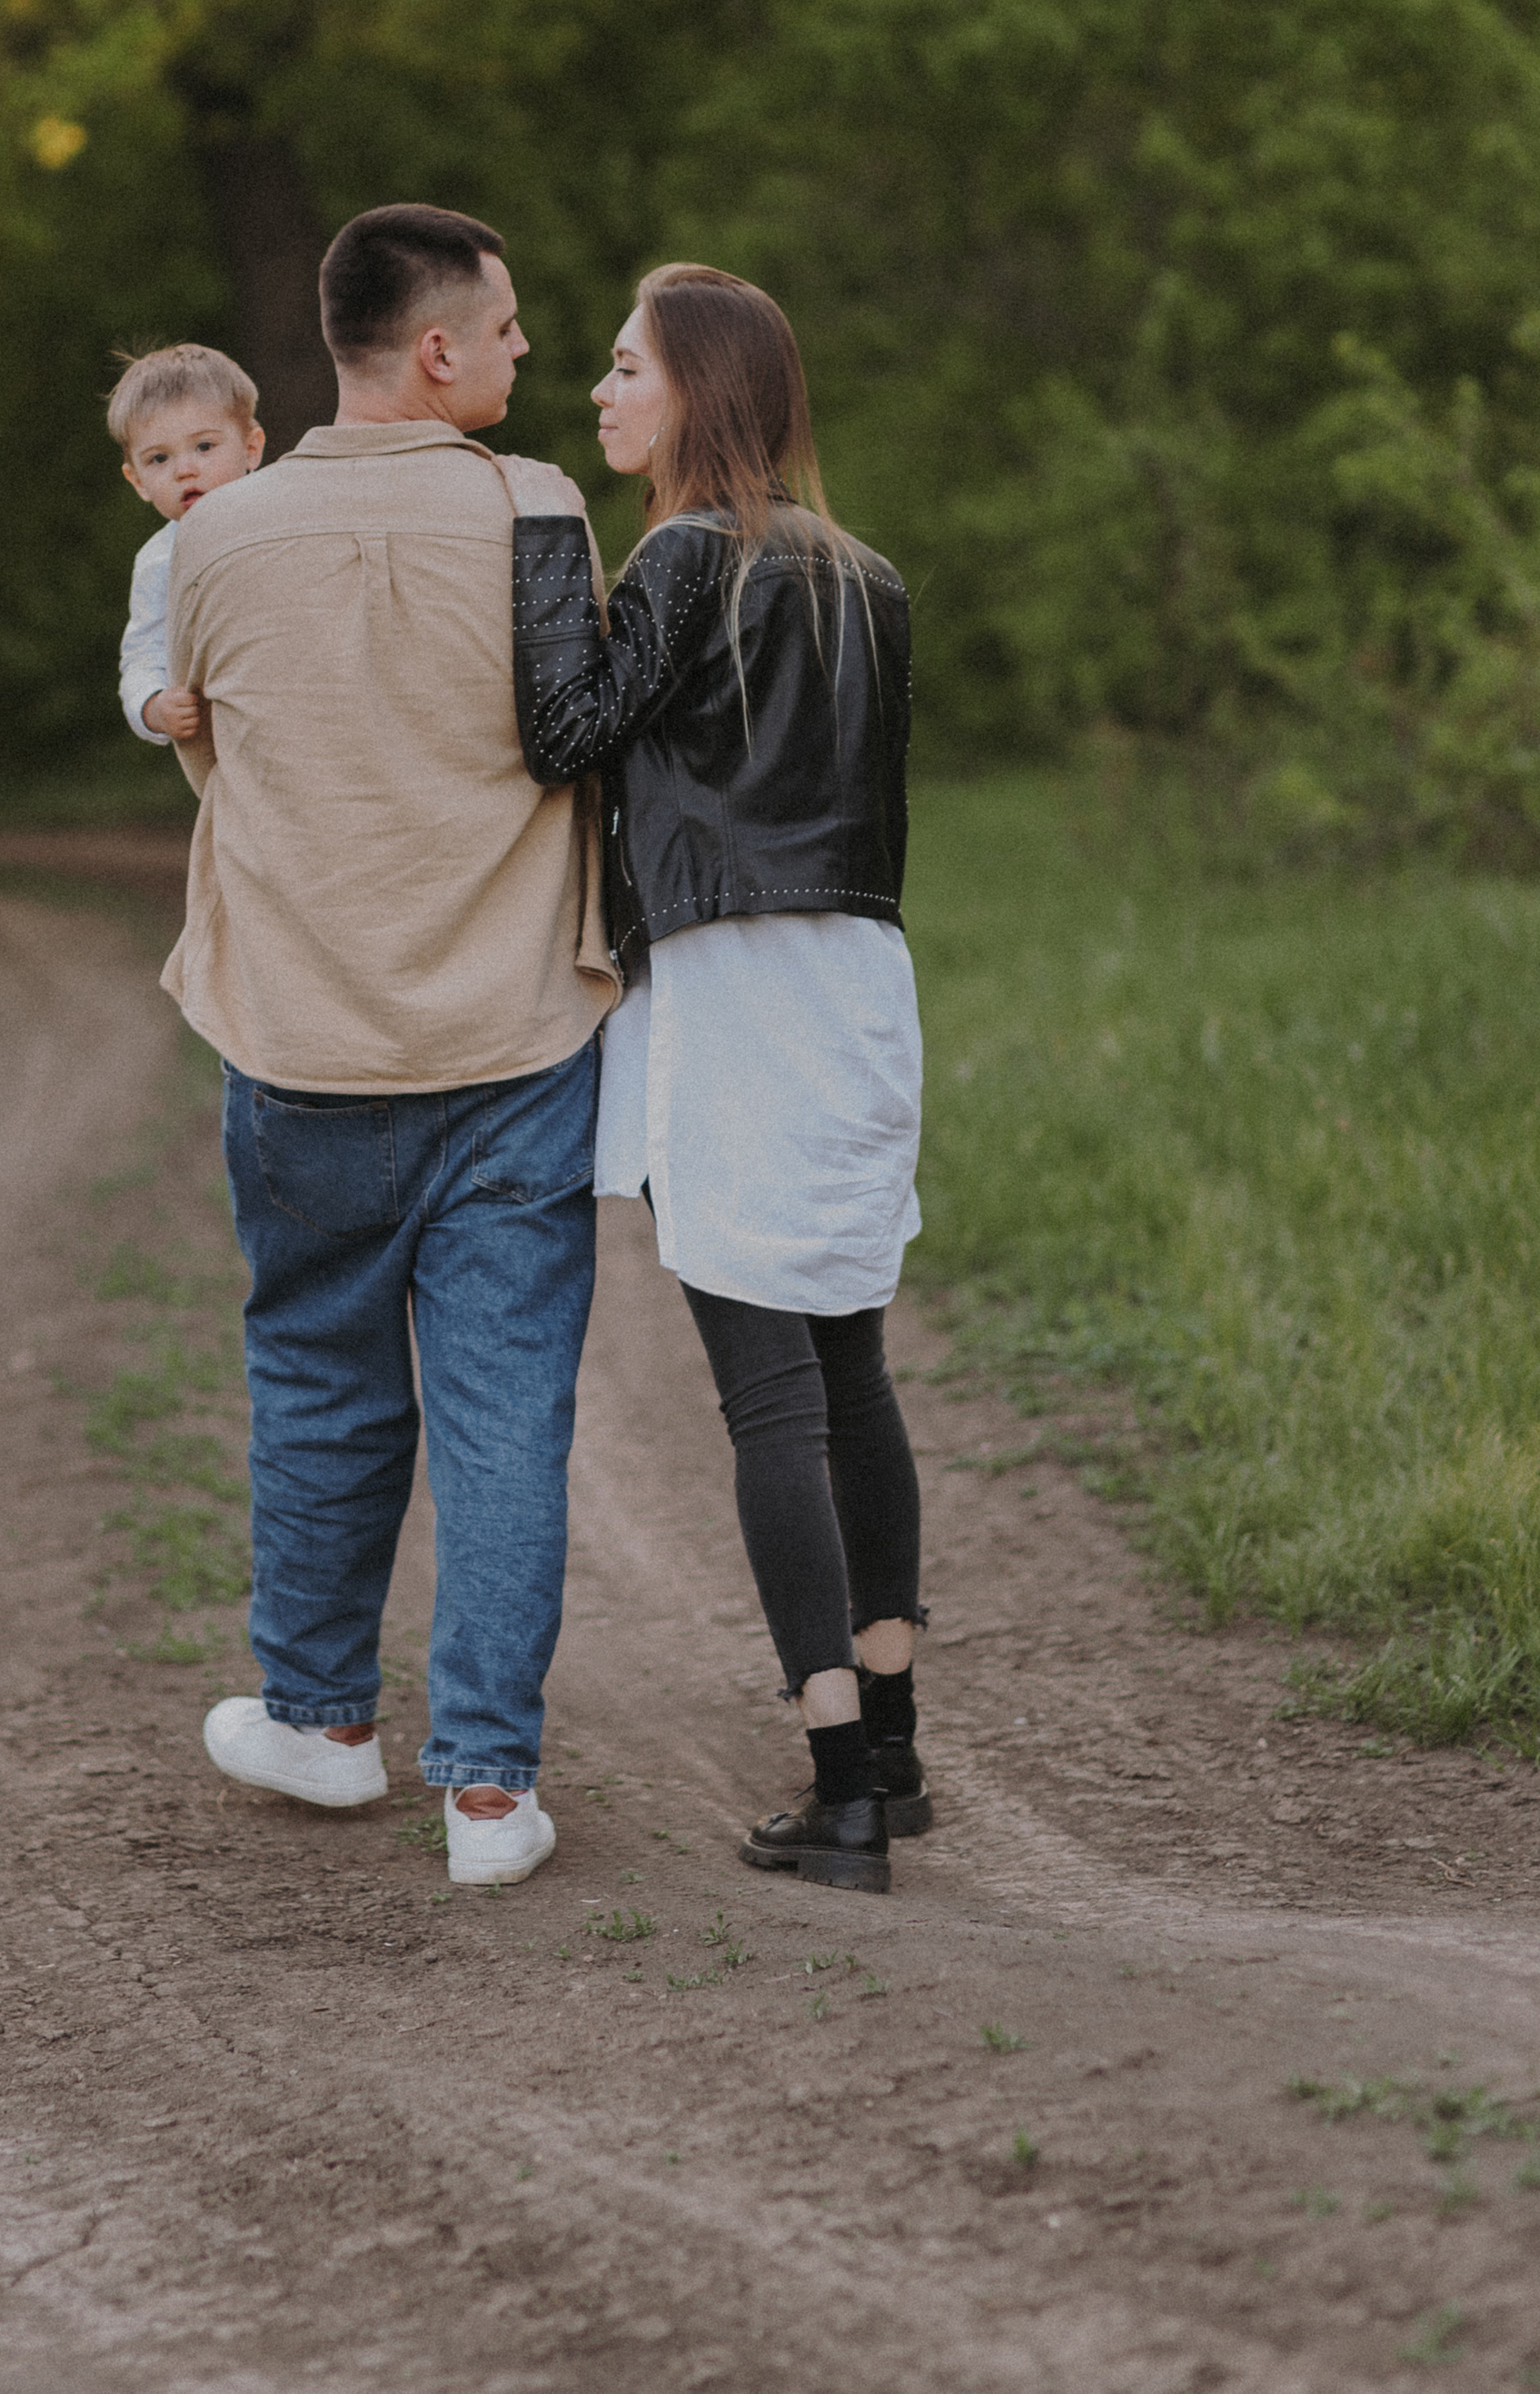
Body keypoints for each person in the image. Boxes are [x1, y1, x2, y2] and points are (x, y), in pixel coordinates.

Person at [161, 204, 613, 1890]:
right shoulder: (535, 504)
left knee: (318, 1376)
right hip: (513, 1032)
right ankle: (488, 1791)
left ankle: (324, 1722)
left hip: (301, 1038)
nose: (520, 353)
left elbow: (220, 760)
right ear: (435, 349)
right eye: (503, 327)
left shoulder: (216, 535)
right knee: (506, 1408)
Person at [512, 262, 928, 1892]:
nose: (603, 393)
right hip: (859, 976)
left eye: (625, 367)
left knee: (767, 1392)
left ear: (697, 387)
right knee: (852, 1369)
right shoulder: (868, 575)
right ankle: (888, 1748)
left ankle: (836, 1791)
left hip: (734, 980)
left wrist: (550, 546)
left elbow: (566, 730)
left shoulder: (684, 550)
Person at [108, 343, 266, 747]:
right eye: (159, 459)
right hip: (230, 736)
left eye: (204, 447)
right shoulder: (160, 561)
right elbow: (144, 655)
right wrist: (155, 707)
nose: (185, 469)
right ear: (138, 480)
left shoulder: (284, 521)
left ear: (251, 448)